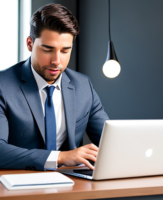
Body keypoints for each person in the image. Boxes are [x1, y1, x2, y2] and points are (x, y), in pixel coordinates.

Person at [0, 4, 109, 171]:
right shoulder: (3, 86)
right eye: (48, 49)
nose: (57, 61)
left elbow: (110, 141)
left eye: (65, 50)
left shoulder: (82, 85)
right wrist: (61, 157)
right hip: (18, 185)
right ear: (30, 44)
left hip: (71, 186)